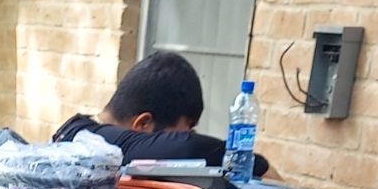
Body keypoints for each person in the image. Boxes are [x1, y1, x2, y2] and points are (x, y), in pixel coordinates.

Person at [53, 50, 271, 177]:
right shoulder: (104, 144)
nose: (184, 137)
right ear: (143, 124)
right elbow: (187, 147)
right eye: (179, 132)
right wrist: (253, 163)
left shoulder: (79, 135)